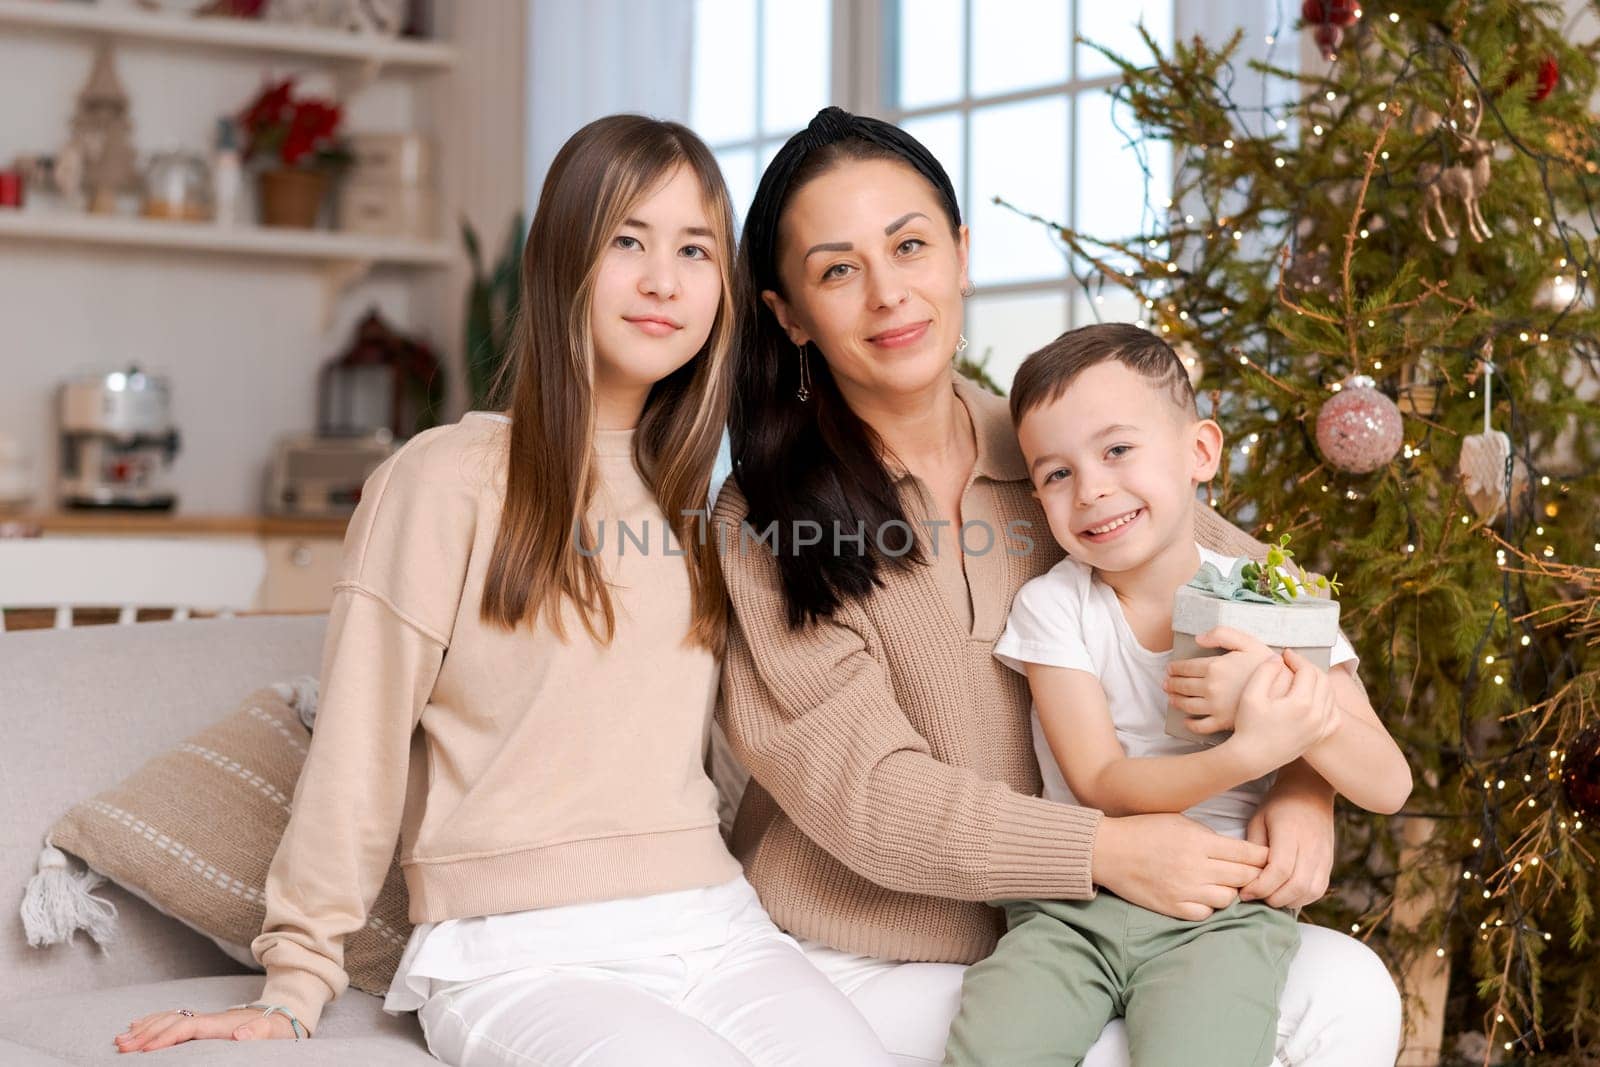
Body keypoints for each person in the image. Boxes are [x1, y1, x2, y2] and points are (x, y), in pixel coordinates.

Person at [114, 114, 890, 1067]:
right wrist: (296, 979)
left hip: (718, 929)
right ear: (565, 259)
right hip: (518, 955)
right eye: (626, 241)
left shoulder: (702, 502)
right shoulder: (445, 478)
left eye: (694, 249)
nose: (662, 279)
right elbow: (359, 742)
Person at [713, 105, 1404, 1066]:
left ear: (959, 253)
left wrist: (1301, 784)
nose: (888, 295)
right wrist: (1101, 850)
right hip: (864, 944)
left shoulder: (1061, 449)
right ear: (787, 313)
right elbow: (865, 792)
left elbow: (1268, 597)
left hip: (1096, 916)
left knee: (1352, 993)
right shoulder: (764, 516)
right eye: (837, 269)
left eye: (910, 245)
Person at [941, 323, 1413, 1066]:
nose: (1091, 487)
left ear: (1200, 452)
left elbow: (1388, 782)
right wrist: (1248, 753)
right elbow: (1102, 782)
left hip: (1223, 915)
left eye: (1117, 449)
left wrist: (1289, 715)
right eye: (1055, 473)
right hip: (1073, 911)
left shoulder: (1268, 596)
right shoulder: (1055, 607)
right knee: (996, 1045)